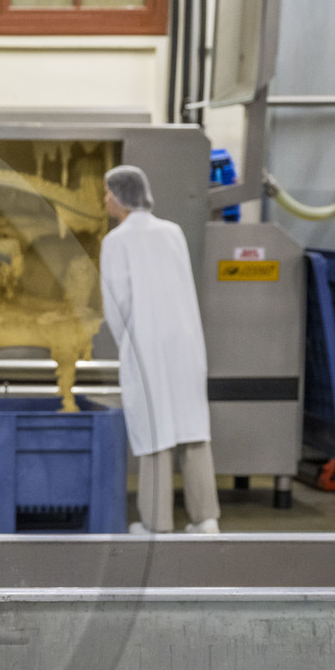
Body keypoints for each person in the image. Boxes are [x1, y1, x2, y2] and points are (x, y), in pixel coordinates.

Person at [99, 164, 220, 535]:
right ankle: (205, 519)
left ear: (121, 197)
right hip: (185, 341)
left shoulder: (115, 241)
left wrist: (127, 346)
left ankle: (156, 523)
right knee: (191, 426)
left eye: (107, 193)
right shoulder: (173, 232)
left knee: (155, 429)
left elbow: (116, 304)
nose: (105, 199)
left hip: (145, 344)